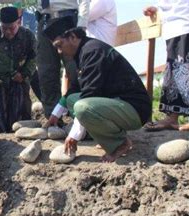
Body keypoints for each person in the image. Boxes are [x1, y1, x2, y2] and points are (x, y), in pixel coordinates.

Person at [44, 16, 152, 162]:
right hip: (117, 104)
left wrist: (74, 135)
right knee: (71, 99)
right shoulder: (82, 52)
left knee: (82, 107)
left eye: (59, 45)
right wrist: (56, 113)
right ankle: (106, 134)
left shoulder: (93, 51)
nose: (58, 51)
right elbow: (76, 88)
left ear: (73, 37)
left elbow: (89, 95)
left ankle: (120, 144)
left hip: (135, 110)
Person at [0, 6, 36, 134]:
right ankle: (0, 144)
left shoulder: (28, 36)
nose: (8, 32)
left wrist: (24, 73)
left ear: (18, 23)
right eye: (4, 28)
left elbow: (34, 58)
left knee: (19, 116)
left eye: (12, 28)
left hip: (19, 80)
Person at [143, 0, 189, 131]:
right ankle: (172, 117)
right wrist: (157, 8)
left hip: (188, 20)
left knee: (188, 72)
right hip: (173, 25)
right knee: (174, 71)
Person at [35, 0, 91, 119]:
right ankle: (53, 118)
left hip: (67, 20)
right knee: (46, 72)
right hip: (44, 21)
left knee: (75, 70)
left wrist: (81, 25)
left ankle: (83, 117)